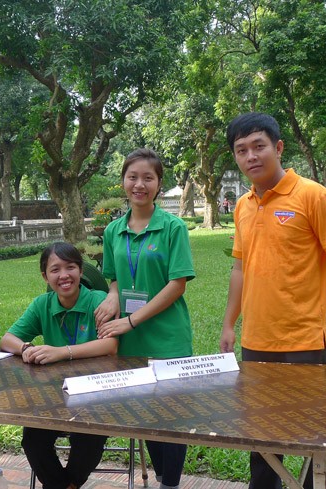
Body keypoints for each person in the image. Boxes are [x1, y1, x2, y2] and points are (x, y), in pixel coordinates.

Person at [219, 112, 326, 489]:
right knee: (262, 439)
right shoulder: (243, 205)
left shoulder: (313, 196)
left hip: (305, 340)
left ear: (278, 147)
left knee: (313, 437)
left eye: (259, 146)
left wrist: (312, 289)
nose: (251, 156)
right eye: (241, 149)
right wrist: (230, 324)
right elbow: (240, 269)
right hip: (256, 341)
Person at [94, 148, 195, 489]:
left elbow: (177, 285)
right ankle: (165, 478)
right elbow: (114, 278)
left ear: (158, 184)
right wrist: (112, 296)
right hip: (130, 340)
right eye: (132, 177)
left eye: (147, 178)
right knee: (146, 412)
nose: (139, 184)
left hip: (168, 337)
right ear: (123, 181)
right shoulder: (113, 231)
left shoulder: (173, 227)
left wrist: (131, 320)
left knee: (173, 415)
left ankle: (171, 484)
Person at [0, 242, 118, 489]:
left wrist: (61, 352)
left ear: (80, 271)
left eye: (70, 267)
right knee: (32, 439)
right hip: (54, 395)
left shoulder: (100, 300)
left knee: (89, 437)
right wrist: (25, 348)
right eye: (55, 270)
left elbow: (110, 346)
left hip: (96, 393)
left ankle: (66, 485)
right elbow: (6, 339)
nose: (64, 275)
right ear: (45, 276)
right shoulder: (42, 304)